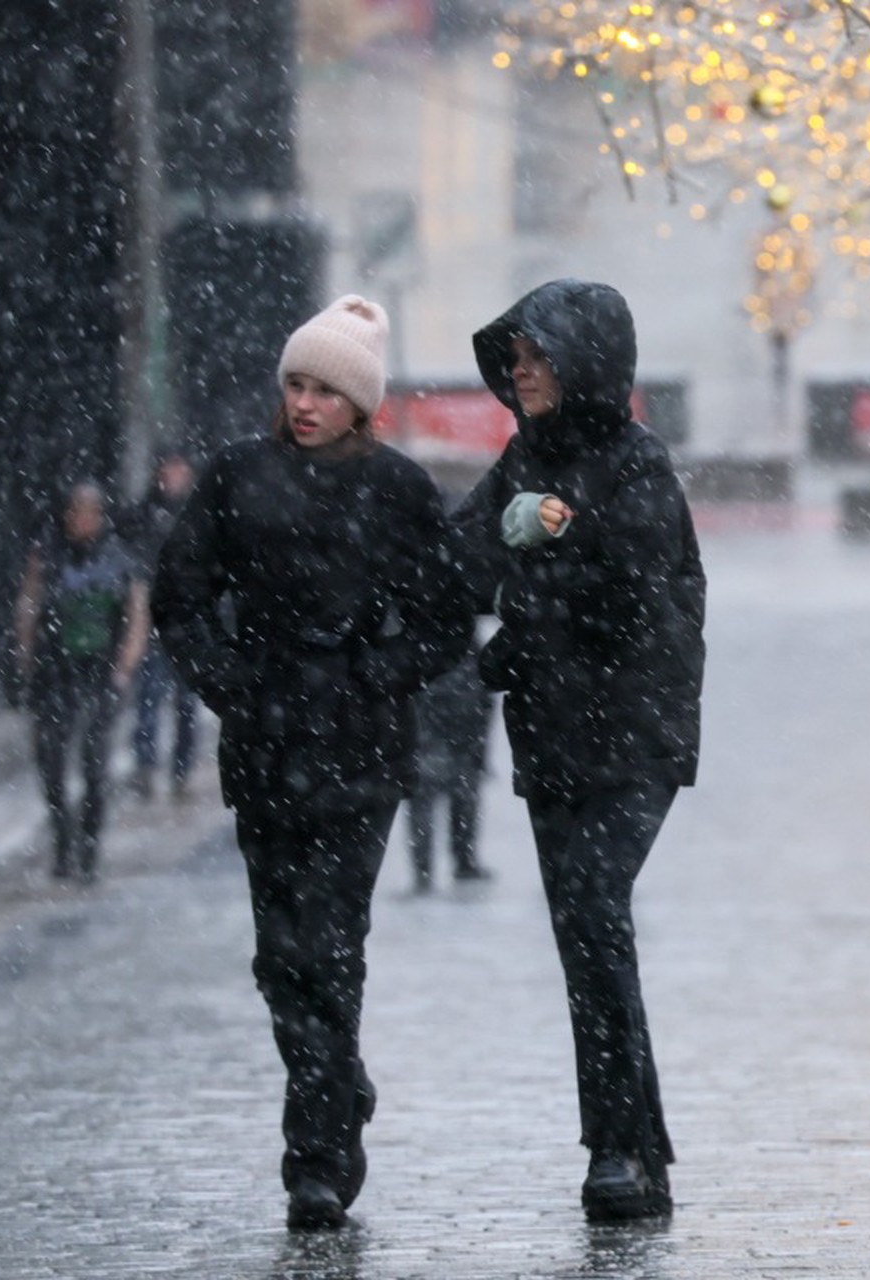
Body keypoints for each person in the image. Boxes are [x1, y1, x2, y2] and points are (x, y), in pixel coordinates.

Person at [151, 295, 471, 1232]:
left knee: (330, 949)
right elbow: (180, 595)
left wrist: (377, 672)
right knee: (278, 956)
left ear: (359, 402)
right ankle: (341, 1082)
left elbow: (447, 618)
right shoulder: (237, 477)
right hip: (265, 745)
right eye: (296, 383)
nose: (305, 402)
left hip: (361, 753)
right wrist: (232, 682)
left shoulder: (401, 491)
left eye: (326, 390)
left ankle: (319, 1160)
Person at [454, 279, 706, 1222]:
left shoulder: (638, 467)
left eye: (536, 353)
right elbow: (459, 560)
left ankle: (615, 1147)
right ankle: (637, 1152)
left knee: (596, 914)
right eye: (512, 355)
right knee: (586, 940)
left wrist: (525, 601)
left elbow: (627, 602)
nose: (517, 369)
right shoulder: (522, 460)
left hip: (634, 740)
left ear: (582, 362)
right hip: (553, 739)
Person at [14, 481, 150, 883]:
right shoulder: (48, 556)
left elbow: (136, 617)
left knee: (94, 766)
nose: (82, 521)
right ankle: (63, 839)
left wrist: (123, 667)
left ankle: (89, 848)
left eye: (90, 513)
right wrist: (27, 660)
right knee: (52, 765)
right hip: (54, 673)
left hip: (98, 674)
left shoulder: (119, 560)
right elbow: (29, 608)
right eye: (76, 512)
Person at [120, 449, 201, 801]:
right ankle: (146, 766)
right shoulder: (143, 515)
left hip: (189, 624)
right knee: (150, 698)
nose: (174, 476)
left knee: (186, 704)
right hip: (154, 622)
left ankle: (180, 770)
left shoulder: (199, 515)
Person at [404, 626, 494, 891]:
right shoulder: (468, 649)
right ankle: (461, 863)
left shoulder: (422, 645)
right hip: (455, 740)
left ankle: (425, 871)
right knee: (460, 804)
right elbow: (484, 699)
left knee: (426, 808)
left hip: (435, 740)